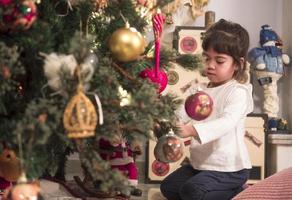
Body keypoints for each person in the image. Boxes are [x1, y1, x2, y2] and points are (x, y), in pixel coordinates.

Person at [160, 19, 254, 200]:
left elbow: (227, 122)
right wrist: (166, 119)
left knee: (192, 191)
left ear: (238, 64)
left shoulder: (238, 92)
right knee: (169, 187)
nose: (210, 65)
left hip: (229, 169)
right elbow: (181, 112)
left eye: (219, 61)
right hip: (201, 165)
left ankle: (239, 191)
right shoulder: (199, 89)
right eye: (207, 58)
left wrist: (191, 130)